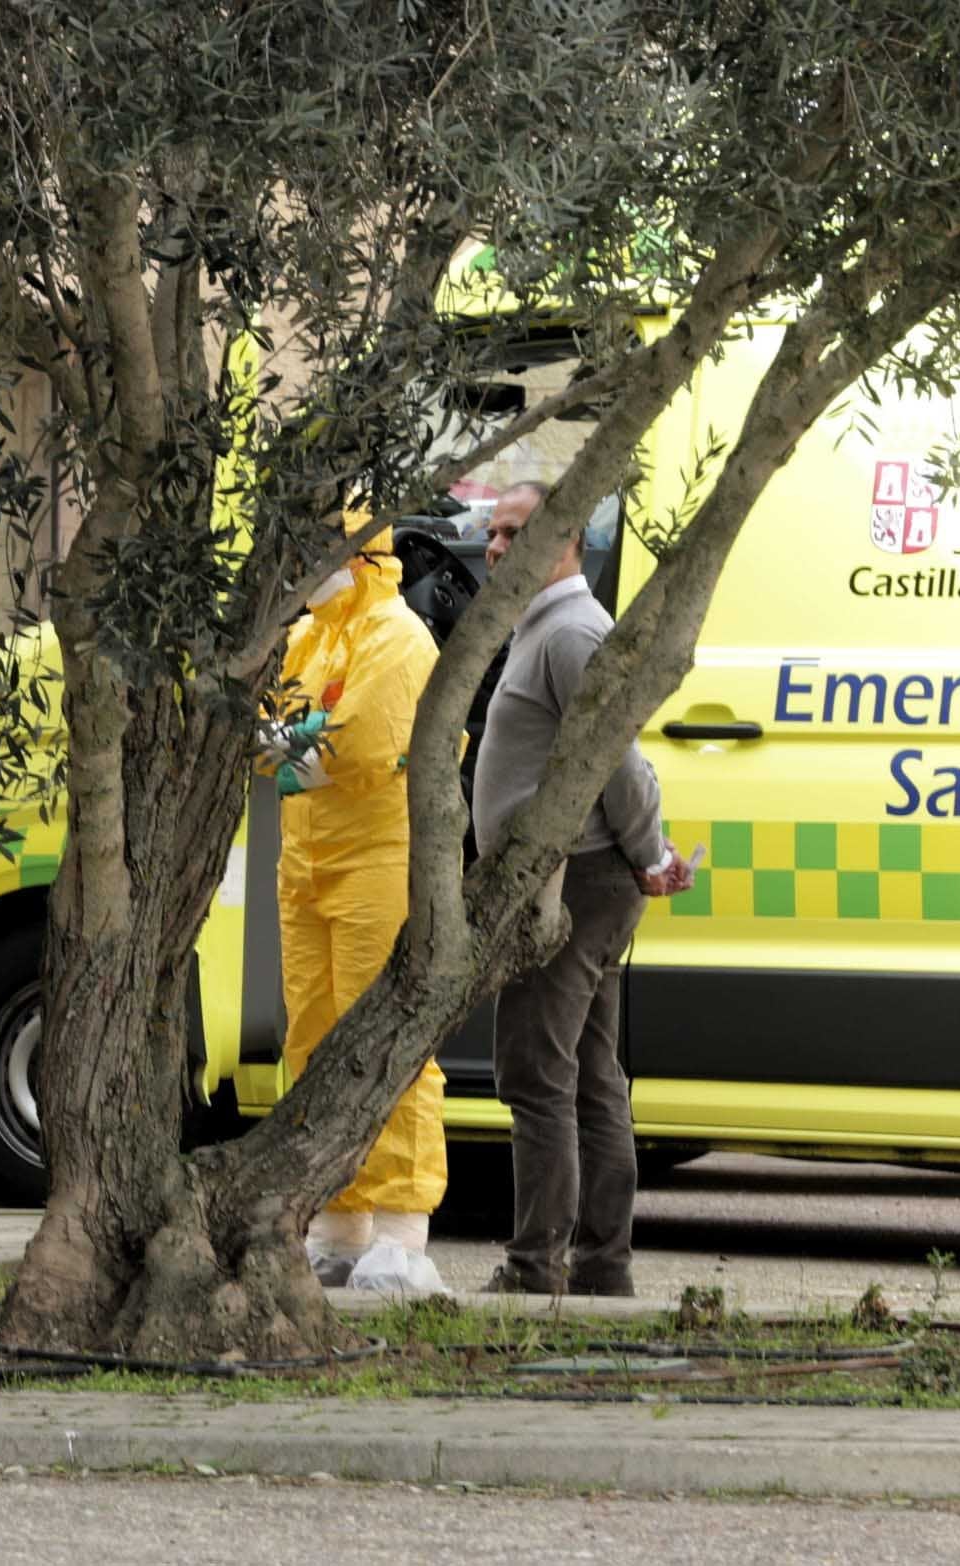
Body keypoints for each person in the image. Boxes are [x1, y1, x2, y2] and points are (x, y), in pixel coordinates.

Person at [471, 480, 693, 1297]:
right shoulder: (551, 627)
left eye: (511, 533)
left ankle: (536, 1271)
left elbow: (619, 764)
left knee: (538, 1074)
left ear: (566, 541)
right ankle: (603, 1270)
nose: (493, 547)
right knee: (592, 1077)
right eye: (490, 532)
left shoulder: (570, 635)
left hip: (574, 883)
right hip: (584, 878)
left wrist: (646, 852)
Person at [275, 511, 450, 1295]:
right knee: (313, 1039)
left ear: (360, 552)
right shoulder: (309, 638)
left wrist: (295, 745)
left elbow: (360, 748)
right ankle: (339, 1223)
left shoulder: (398, 637)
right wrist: (299, 742)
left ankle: (405, 1234)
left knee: (389, 1043)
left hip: (378, 859)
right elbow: (282, 737)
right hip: (306, 861)